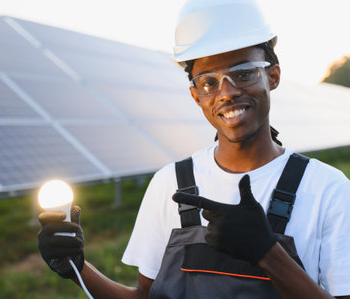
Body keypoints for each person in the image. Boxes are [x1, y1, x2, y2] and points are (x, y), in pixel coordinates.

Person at [37, 0, 350, 297]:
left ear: (273, 75)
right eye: (209, 82)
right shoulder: (168, 184)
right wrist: (78, 268)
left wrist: (268, 253)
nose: (226, 93)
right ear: (195, 95)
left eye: (243, 73)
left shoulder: (327, 189)